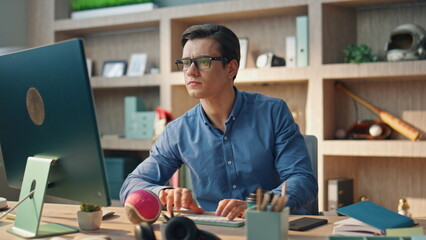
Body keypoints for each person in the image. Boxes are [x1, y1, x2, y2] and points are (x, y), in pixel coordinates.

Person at [120, 24, 318, 220]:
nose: (191, 71)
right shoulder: (178, 131)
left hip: (274, 228)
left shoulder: (272, 112)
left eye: (203, 61)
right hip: (214, 231)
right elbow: (132, 184)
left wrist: (258, 206)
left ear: (231, 68)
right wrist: (162, 192)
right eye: (186, 62)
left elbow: (302, 180)